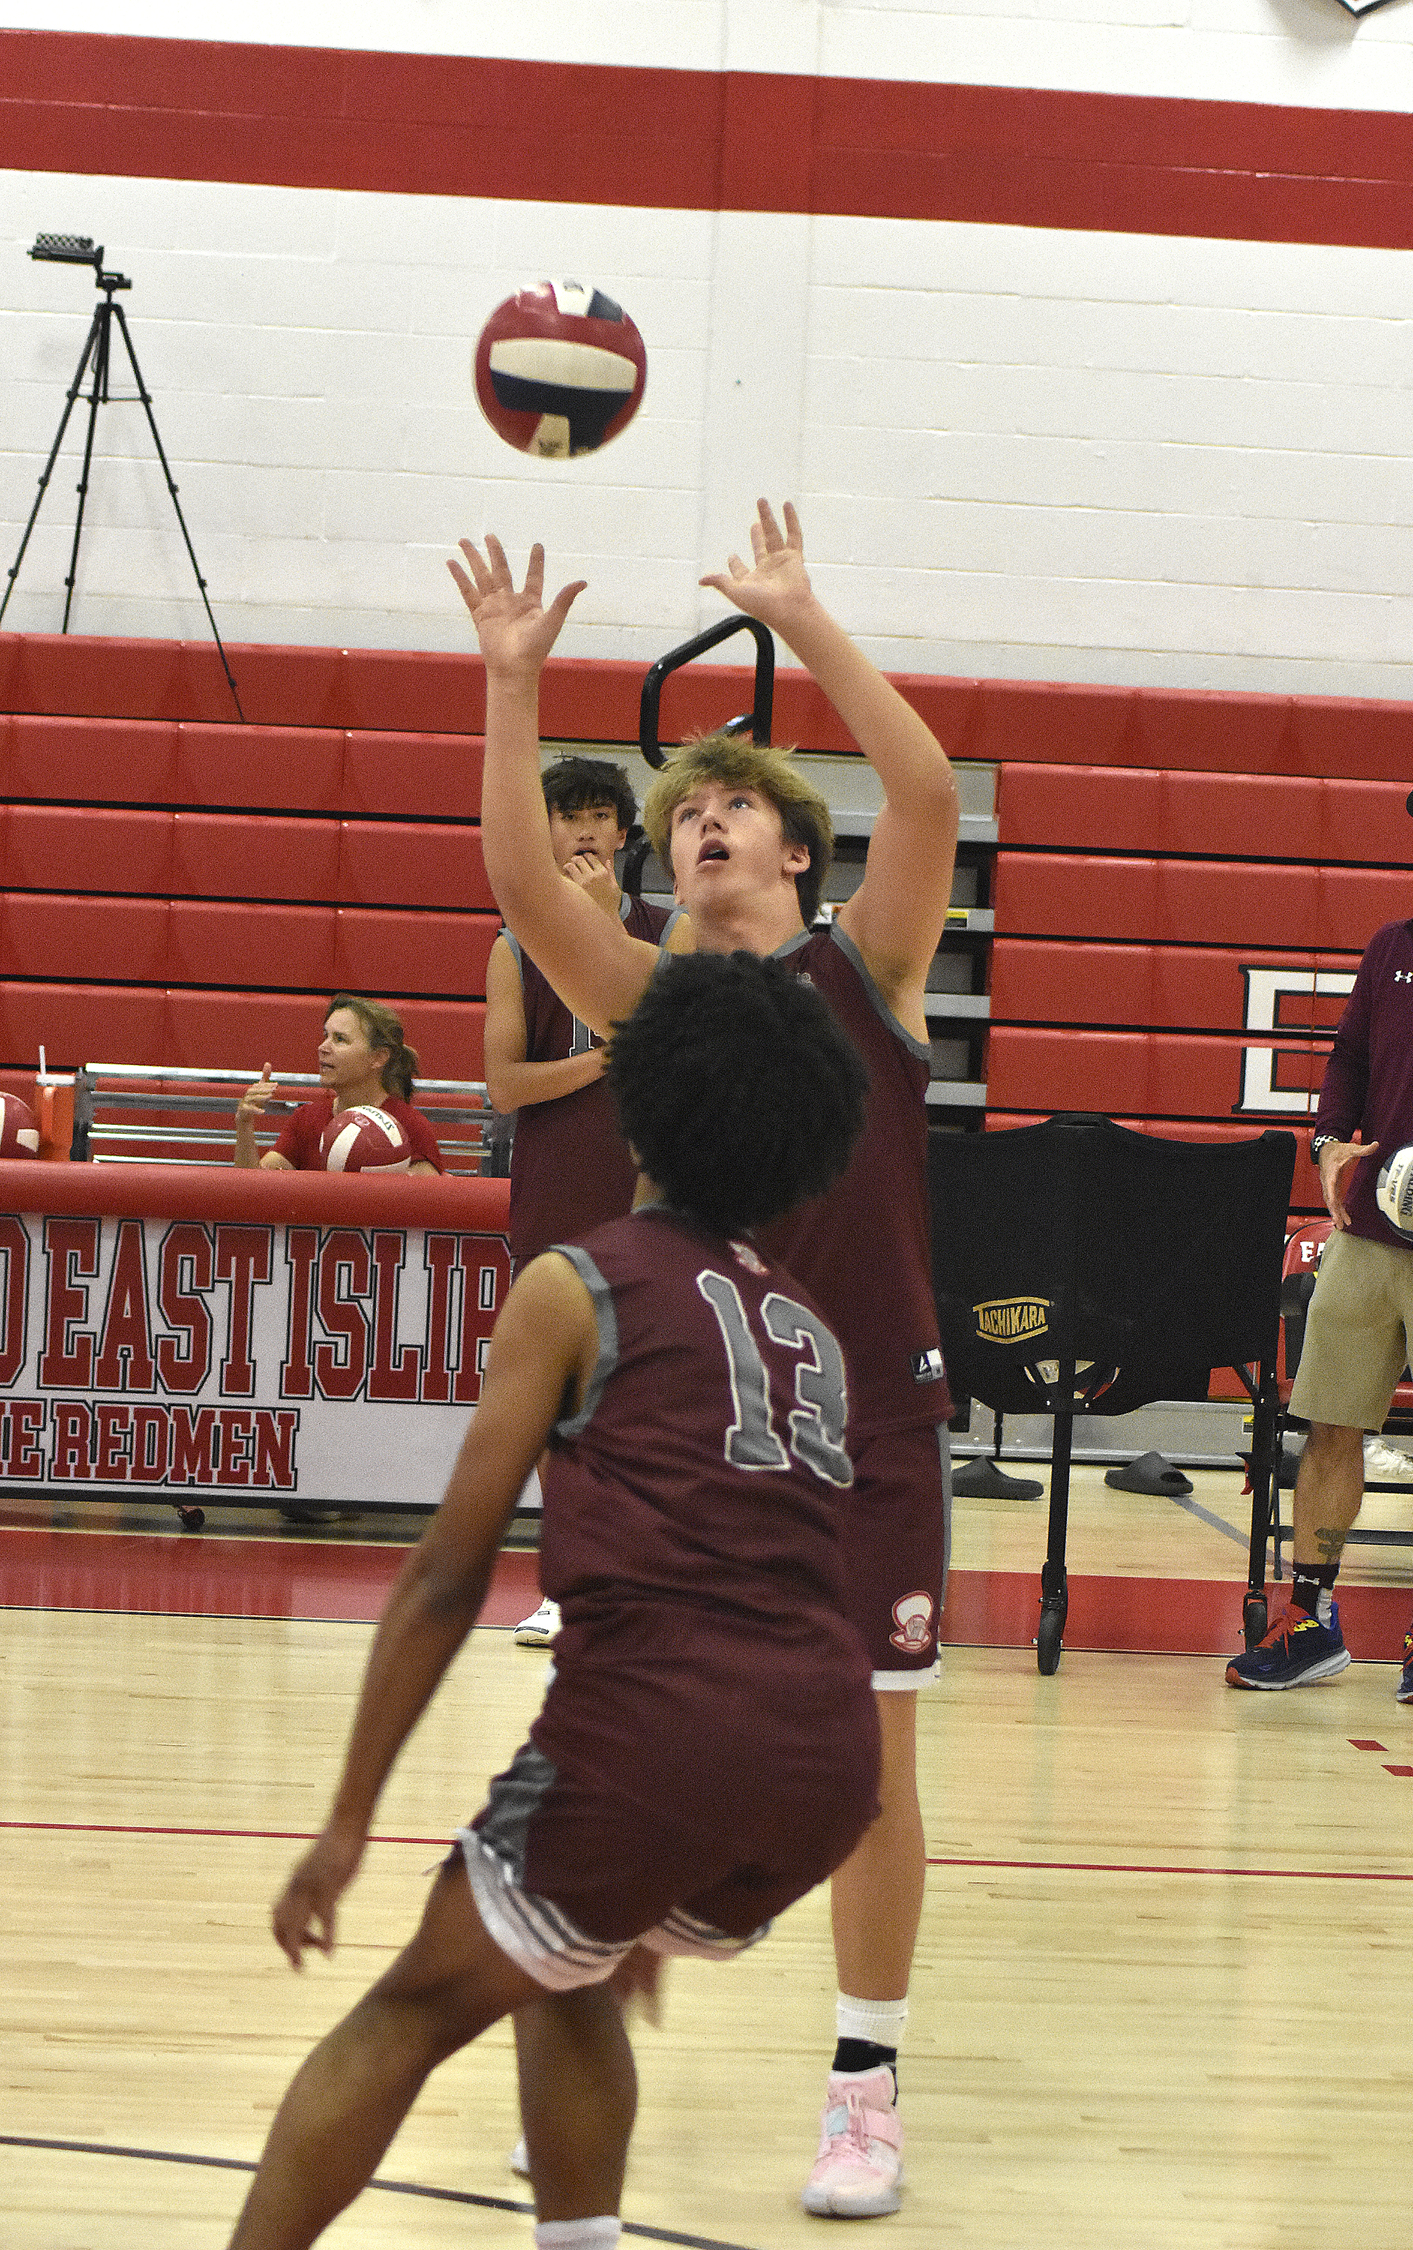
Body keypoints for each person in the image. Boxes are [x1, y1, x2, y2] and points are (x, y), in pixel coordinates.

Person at [449, 499, 960, 2219]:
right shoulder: (651, 999)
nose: (706, 823)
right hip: (690, 1432)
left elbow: (933, 797)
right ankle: (581, 2008)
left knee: (877, 1757)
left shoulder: (867, 967)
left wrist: (807, 621)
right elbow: (525, 879)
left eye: (735, 804)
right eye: (688, 815)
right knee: (621, 1731)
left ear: (795, 854)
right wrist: (515, 682)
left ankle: (867, 2079)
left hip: (870, 1422)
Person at [225, 949, 880, 2250]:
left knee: (408, 2008)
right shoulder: (806, 1322)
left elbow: (444, 1576)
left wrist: (348, 1820)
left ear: (640, 1107)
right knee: (561, 1955)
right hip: (824, 1762)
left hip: (660, 1737)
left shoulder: (576, 1282)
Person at [1227, 784, 1413, 1707]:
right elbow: (1346, 1064)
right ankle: (1310, 1621)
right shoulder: (1390, 950)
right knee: (1330, 1428)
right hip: (1366, 1245)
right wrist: (1327, 1147)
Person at [485, 754, 676, 1649]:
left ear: (629, 837)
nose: (587, 830)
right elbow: (505, 1086)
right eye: (569, 815)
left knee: (648, 1399)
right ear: (544, 830)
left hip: (650, 1196)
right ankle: (567, 1583)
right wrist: (604, 1058)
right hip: (558, 1195)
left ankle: (648, 1580)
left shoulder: (674, 936)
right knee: (565, 1404)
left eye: (602, 815)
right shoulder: (513, 944)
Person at [235, 994, 442, 1175]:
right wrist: (244, 1124)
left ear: (378, 1057)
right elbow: (252, 1193)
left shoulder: (409, 1126)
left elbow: (426, 1208)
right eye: (326, 1036)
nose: (322, 1047)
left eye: (340, 1039)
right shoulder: (306, 1121)